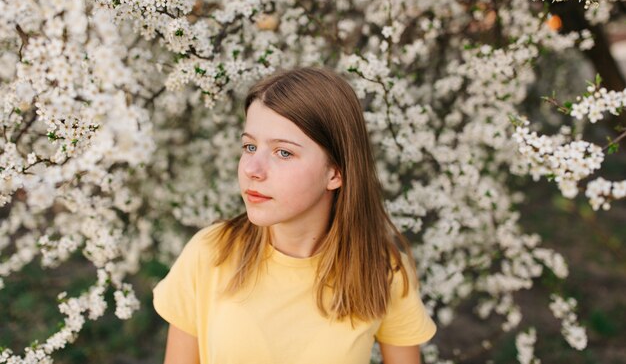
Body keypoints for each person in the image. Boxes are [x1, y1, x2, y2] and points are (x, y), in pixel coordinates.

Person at [152, 67, 436, 364]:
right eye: (249, 146)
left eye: (283, 153)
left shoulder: (381, 269)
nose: (252, 169)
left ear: (335, 172)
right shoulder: (210, 253)